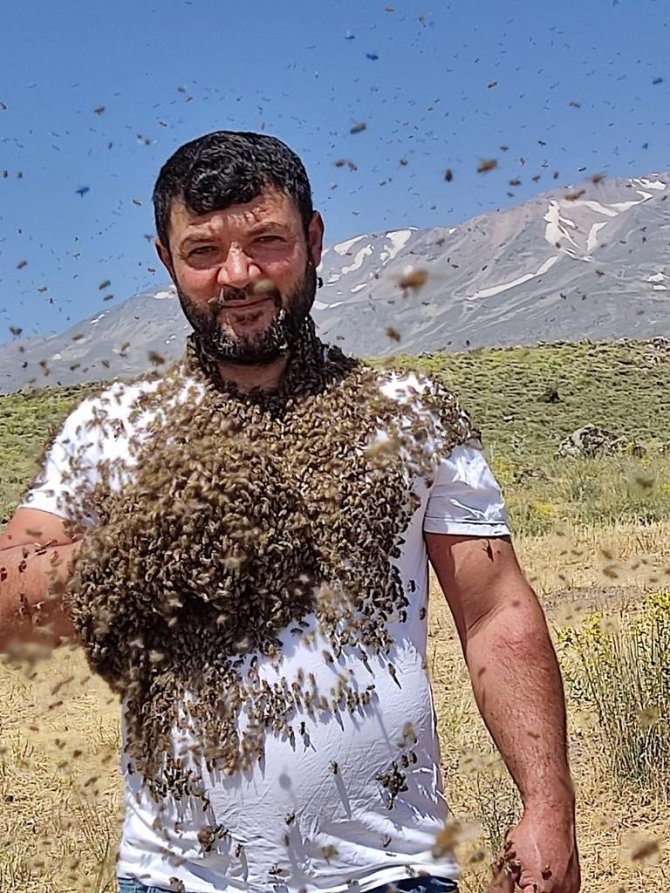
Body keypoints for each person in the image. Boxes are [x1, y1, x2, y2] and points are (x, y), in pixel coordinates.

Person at [0, 131, 580, 893]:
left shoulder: (412, 415)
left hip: (392, 871)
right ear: (166, 261)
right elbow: (10, 607)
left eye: (267, 241)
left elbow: (496, 612)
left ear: (312, 239)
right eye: (203, 251)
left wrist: (548, 804)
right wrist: (145, 546)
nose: (238, 274)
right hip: (178, 876)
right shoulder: (111, 430)